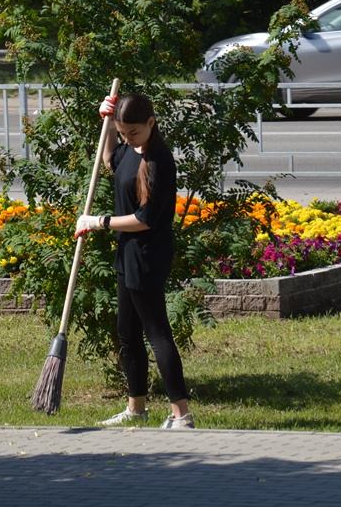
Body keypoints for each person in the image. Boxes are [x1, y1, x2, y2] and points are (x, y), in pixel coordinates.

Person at [75, 92, 195, 430]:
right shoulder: (130, 148)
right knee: (127, 333)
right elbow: (110, 159)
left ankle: (182, 416)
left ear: (151, 123)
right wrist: (106, 124)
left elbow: (144, 219)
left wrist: (99, 222)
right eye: (123, 132)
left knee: (157, 334)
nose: (127, 138)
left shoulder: (158, 161)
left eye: (133, 132)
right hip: (127, 253)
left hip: (147, 256)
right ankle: (136, 408)